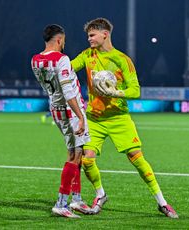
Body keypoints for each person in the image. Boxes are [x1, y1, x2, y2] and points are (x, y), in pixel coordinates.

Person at [71, 18, 178, 218]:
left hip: (119, 118)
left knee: (137, 159)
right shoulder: (87, 55)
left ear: (105, 34)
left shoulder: (122, 59)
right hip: (94, 119)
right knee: (87, 160)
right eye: (88, 35)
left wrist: (116, 93)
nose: (89, 39)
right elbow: (69, 67)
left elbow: (135, 90)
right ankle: (100, 194)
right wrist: (53, 63)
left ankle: (162, 202)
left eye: (92, 35)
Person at [31, 24, 92, 218]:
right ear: (59, 39)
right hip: (69, 110)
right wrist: (81, 116)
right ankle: (61, 203)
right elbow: (68, 92)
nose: (64, 43)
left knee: (77, 152)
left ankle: (77, 199)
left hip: (55, 108)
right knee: (75, 155)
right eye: (63, 40)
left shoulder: (35, 60)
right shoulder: (62, 59)